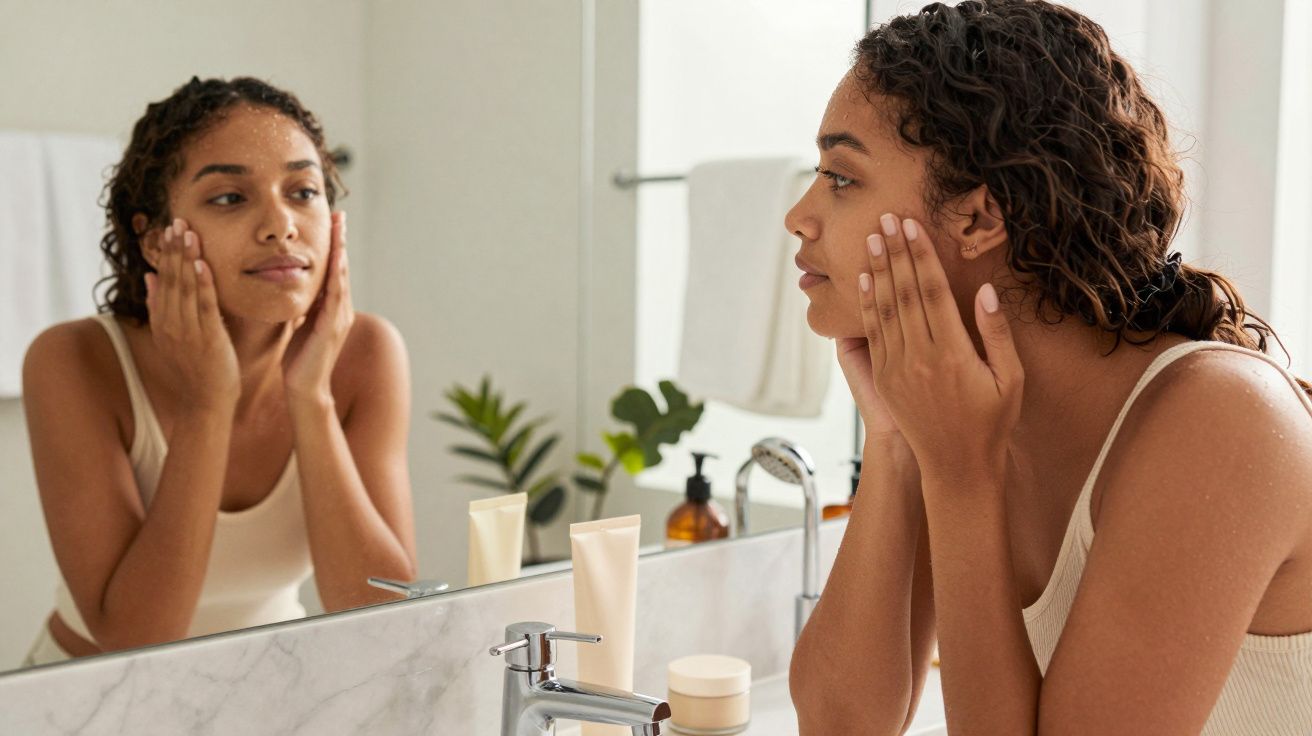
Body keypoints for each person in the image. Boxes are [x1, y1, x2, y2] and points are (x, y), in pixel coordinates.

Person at [785, 2, 1312, 733]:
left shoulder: (1222, 418)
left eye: (841, 178)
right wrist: (898, 441)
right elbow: (840, 723)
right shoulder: (972, 418)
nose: (799, 216)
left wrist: (962, 477)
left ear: (976, 219)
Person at [20, 77, 416, 666]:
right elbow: (133, 638)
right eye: (230, 198)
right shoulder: (75, 362)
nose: (280, 225)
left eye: (303, 191)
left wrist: (311, 397)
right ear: (155, 240)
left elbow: (386, 616)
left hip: (271, 693)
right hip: (90, 704)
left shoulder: (367, 355)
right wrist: (210, 402)